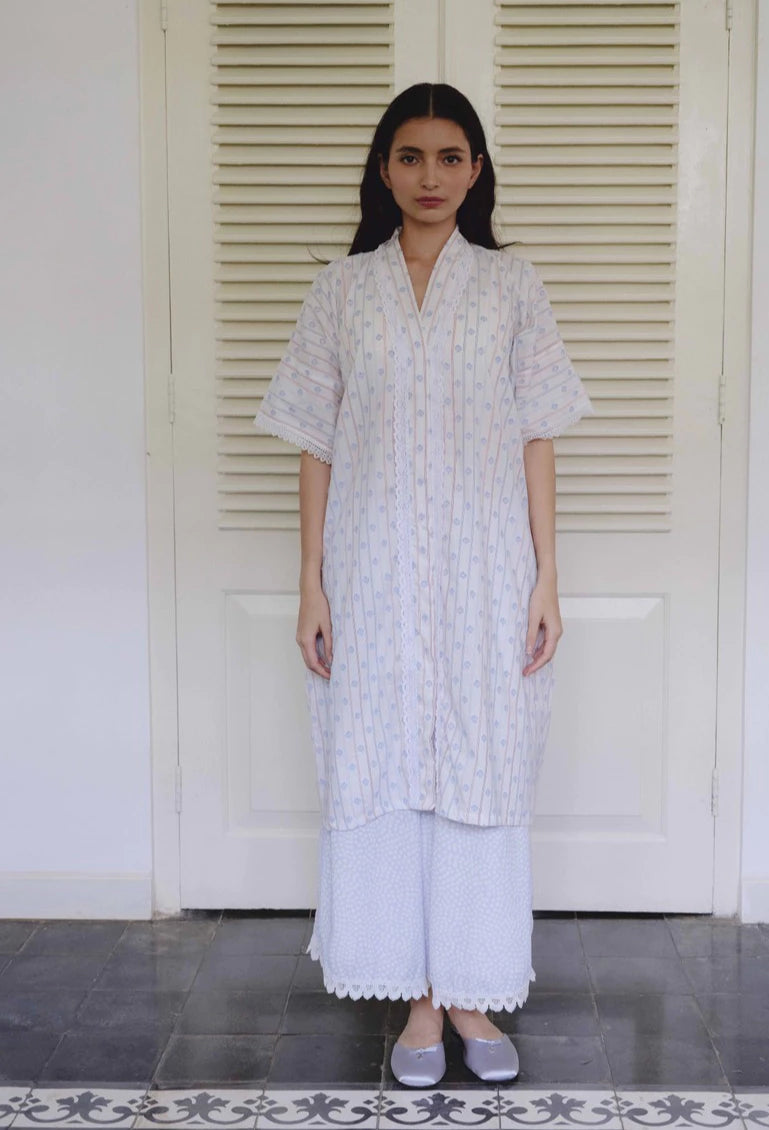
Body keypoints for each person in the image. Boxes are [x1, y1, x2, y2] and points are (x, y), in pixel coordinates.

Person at [253, 82, 594, 1087]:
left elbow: (537, 433)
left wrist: (546, 575)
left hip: (488, 568)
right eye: (410, 156)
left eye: (451, 156)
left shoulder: (510, 285)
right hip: (371, 568)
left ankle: (475, 989)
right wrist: (310, 584)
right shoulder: (340, 290)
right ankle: (419, 999)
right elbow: (313, 444)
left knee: (479, 764)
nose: (431, 176)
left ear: (476, 169)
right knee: (387, 760)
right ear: (384, 167)